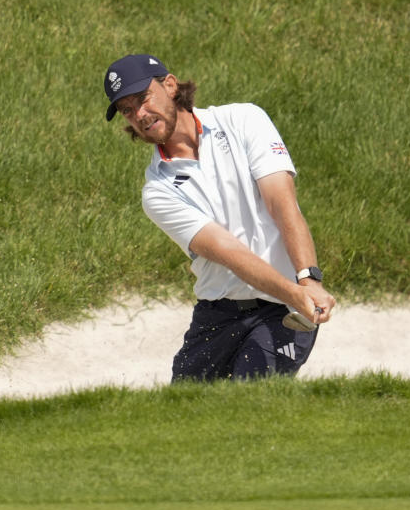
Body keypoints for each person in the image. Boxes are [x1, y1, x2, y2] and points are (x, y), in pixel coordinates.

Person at [103, 53, 336, 382]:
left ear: (169, 85)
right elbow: (229, 251)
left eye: (143, 99)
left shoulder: (243, 119)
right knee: (182, 415)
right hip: (218, 313)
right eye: (127, 110)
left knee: (250, 398)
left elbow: (282, 204)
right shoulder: (157, 191)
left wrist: (308, 280)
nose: (139, 115)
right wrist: (295, 293)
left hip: (282, 310)